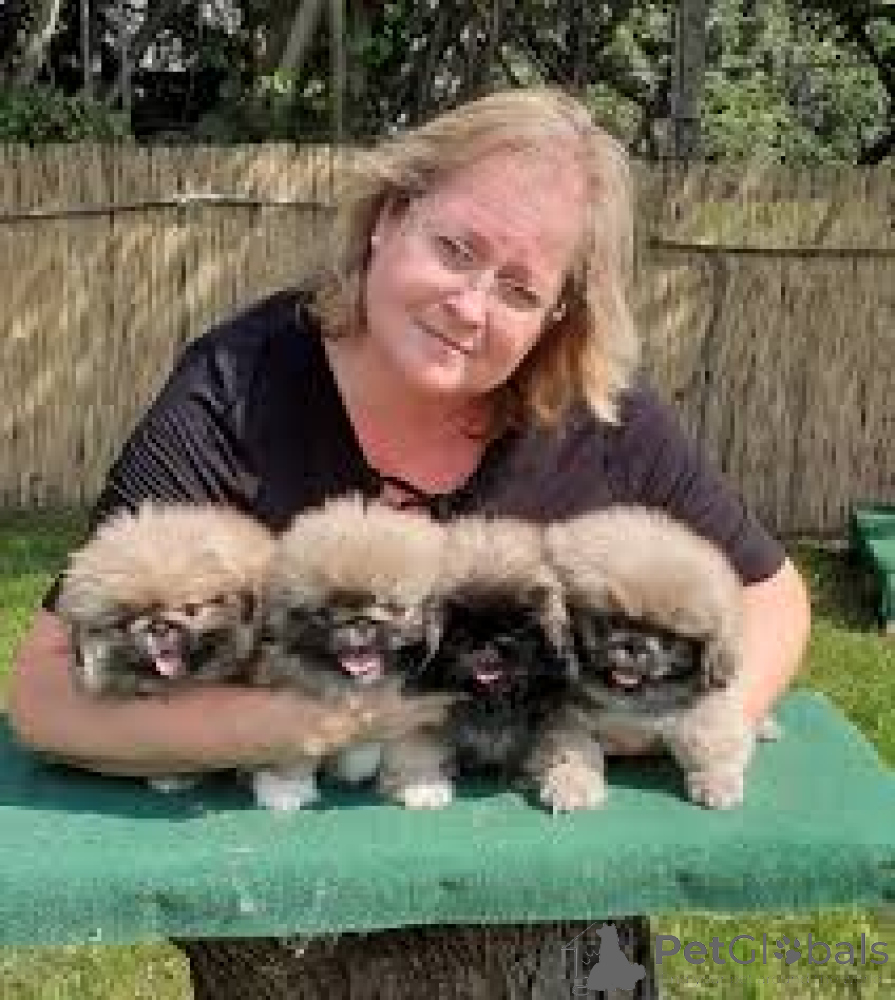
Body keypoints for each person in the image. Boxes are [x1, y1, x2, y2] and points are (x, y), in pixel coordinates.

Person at [8, 86, 810, 780]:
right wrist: (315, 725)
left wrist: (677, 723)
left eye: (519, 291)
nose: (469, 307)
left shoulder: (597, 414)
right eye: (454, 249)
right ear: (388, 216)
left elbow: (774, 597)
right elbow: (46, 698)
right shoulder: (236, 387)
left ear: (557, 316)